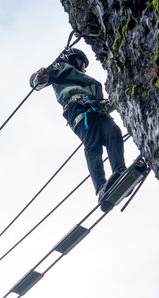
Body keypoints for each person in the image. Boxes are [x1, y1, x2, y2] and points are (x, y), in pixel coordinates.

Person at [31, 47, 126, 212]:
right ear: (75, 59)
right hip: (77, 109)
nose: (84, 68)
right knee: (92, 145)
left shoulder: (87, 81)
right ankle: (101, 188)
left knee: (114, 132)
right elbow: (38, 80)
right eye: (83, 64)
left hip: (96, 108)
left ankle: (120, 171)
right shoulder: (60, 68)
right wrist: (39, 79)